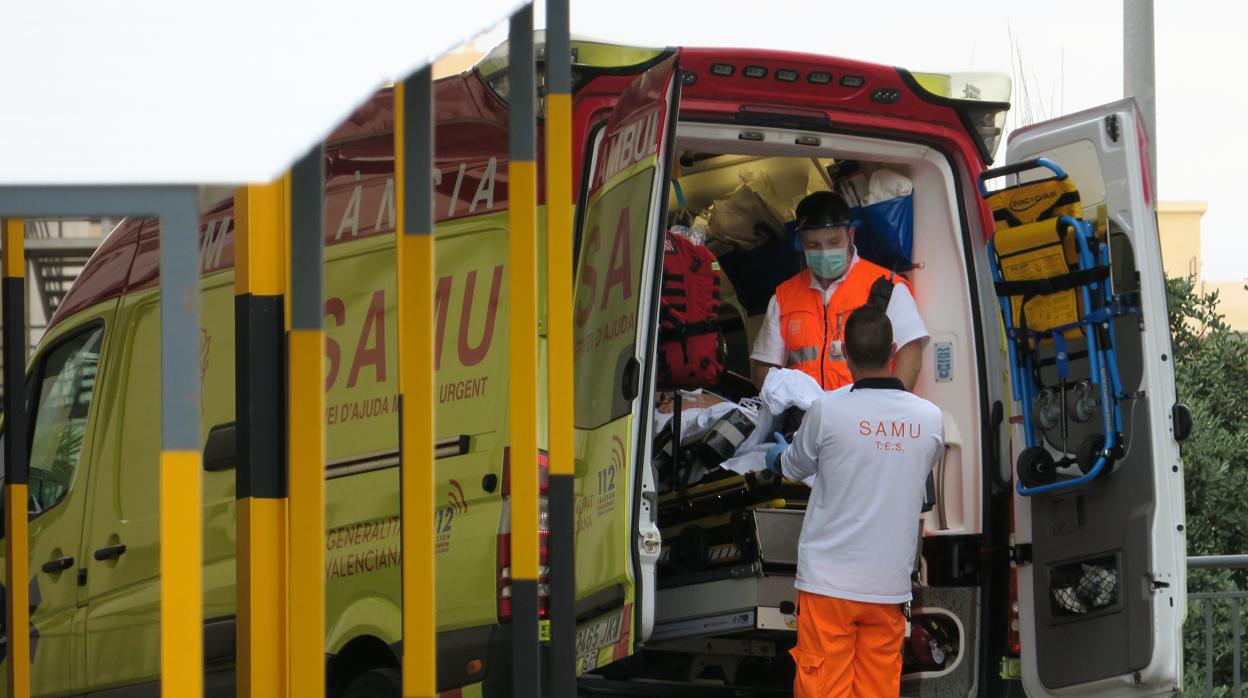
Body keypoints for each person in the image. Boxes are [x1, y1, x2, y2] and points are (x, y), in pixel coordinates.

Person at [764, 305, 944, 697]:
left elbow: (793, 468)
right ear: (893, 350)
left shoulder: (827, 410)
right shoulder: (930, 419)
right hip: (888, 586)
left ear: (844, 353)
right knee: (878, 688)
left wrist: (777, 455)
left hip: (829, 585)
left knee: (824, 687)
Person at [749, 190, 927, 391]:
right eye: (814, 245)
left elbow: (910, 355)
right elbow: (763, 368)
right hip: (808, 418)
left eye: (833, 243)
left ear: (850, 235)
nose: (824, 253)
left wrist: (888, 409)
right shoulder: (784, 297)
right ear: (801, 244)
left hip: (864, 418)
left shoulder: (887, 287)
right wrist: (789, 398)